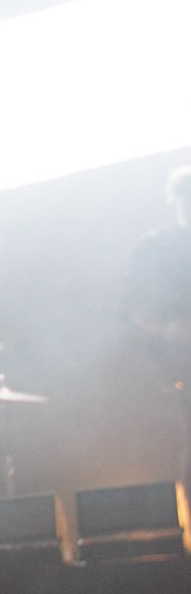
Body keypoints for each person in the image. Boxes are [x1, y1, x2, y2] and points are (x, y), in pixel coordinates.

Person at [122, 162, 191, 491]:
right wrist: (174, 329)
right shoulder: (155, 248)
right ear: (174, 201)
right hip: (174, 371)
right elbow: (132, 309)